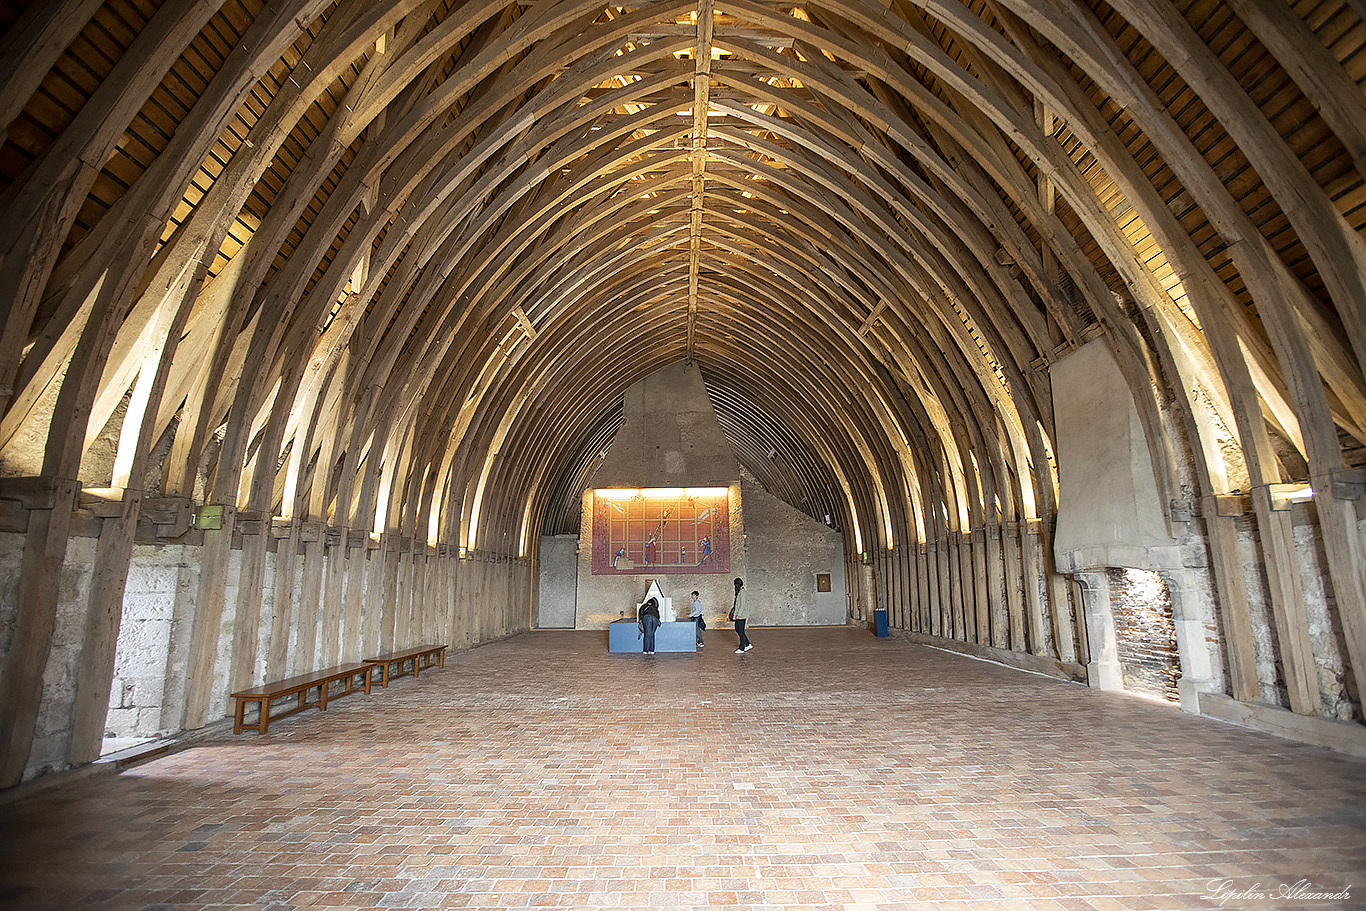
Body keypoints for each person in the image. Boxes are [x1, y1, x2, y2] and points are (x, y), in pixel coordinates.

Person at [730, 577, 751, 653]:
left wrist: (739, 614)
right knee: (737, 629)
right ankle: (748, 644)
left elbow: (742, 605)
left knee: (741, 631)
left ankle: (742, 648)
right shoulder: (740, 592)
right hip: (739, 615)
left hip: (741, 615)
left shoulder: (742, 592)